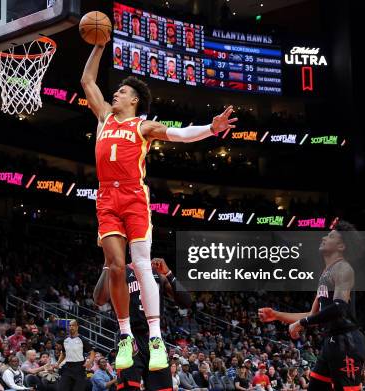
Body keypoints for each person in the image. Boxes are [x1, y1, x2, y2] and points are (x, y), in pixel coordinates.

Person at [81, 35, 236, 373]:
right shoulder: (104, 116)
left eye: (122, 91)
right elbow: (87, 80)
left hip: (135, 196)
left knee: (140, 264)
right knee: (115, 267)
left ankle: (154, 336)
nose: (116, 93)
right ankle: (125, 336)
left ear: (135, 100)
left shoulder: (143, 126)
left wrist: (212, 128)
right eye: (117, 90)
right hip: (106, 195)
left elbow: (180, 135)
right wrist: (99, 44)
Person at [259, 221, 365, 391]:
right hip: (331, 342)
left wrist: (301, 323)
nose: (324, 237)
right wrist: (277, 315)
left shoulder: (343, 269)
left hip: (347, 342)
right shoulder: (326, 274)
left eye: (330, 236)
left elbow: (339, 308)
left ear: (341, 246)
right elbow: (312, 314)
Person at [94, 257, 192, 391]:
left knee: (162, 388)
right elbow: (99, 299)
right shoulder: (121, 271)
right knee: (129, 388)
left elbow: (186, 302)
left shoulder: (157, 273)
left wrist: (168, 273)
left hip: (154, 339)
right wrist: (107, 265)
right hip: (130, 337)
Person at [57, 320, 95, 391]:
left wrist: (89, 362)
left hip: (79, 368)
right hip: (68, 367)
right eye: (70, 325)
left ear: (77, 327)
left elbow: (92, 353)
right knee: (61, 388)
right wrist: (58, 363)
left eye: (73, 325)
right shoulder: (65, 340)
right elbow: (63, 353)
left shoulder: (82, 339)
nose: (71, 327)